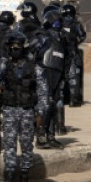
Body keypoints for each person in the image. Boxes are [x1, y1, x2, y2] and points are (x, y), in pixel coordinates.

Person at [0, 31, 49, 182]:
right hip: (9, 110)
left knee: (27, 146)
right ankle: (9, 178)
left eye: (18, 47)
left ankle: (23, 178)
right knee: (9, 145)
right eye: (12, 47)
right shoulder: (5, 64)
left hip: (27, 112)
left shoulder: (35, 68)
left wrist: (40, 113)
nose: (14, 50)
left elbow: (43, 92)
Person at [34, 9, 67, 147]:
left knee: (53, 105)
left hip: (57, 73)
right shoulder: (42, 36)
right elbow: (33, 53)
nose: (57, 22)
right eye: (55, 20)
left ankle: (51, 136)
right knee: (44, 106)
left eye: (59, 19)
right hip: (44, 72)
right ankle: (41, 138)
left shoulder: (61, 38)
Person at [60, 4, 87, 107]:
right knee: (73, 78)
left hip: (61, 53)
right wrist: (75, 43)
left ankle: (61, 100)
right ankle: (74, 100)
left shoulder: (59, 23)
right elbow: (83, 36)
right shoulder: (76, 24)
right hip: (72, 53)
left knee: (61, 77)